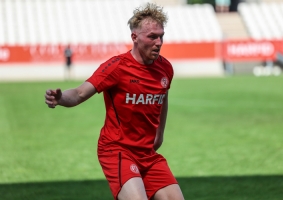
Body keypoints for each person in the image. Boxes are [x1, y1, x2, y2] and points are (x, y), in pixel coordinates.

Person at [45, 3, 185, 200]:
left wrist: (159, 134)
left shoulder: (165, 68)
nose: (159, 42)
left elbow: (163, 99)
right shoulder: (117, 67)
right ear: (134, 37)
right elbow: (79, 93)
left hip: (147, 153)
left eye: (161, 36)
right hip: (117, 150)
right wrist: (60, 98)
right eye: (152, 36)